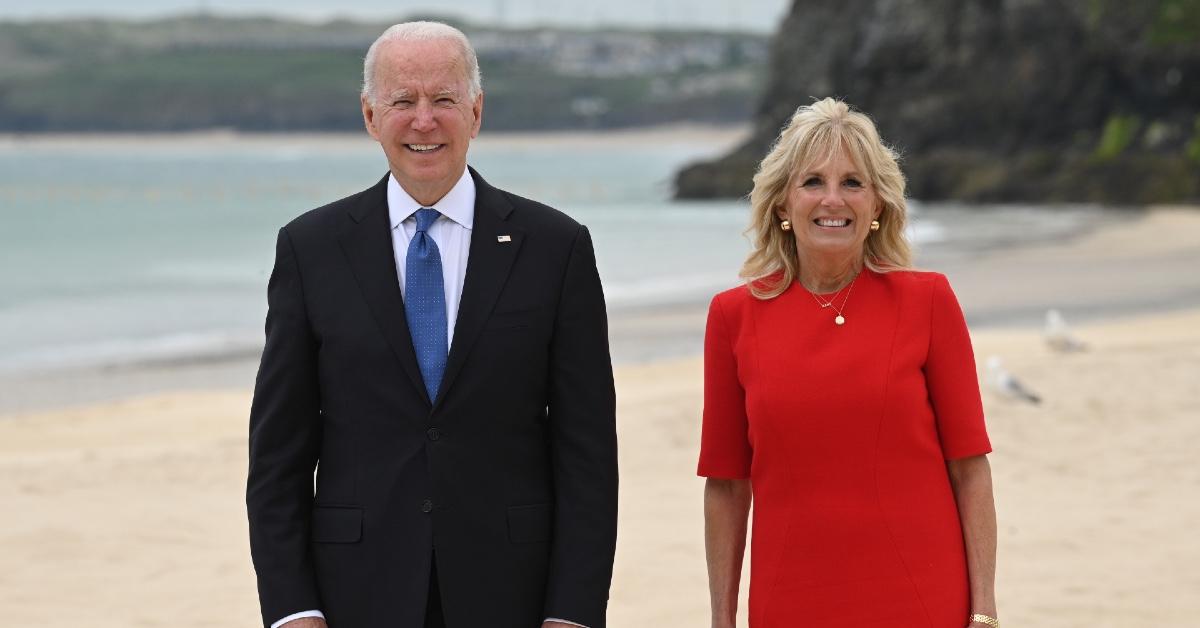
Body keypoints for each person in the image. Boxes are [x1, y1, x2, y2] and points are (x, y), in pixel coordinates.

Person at [246, 22, 618, 628]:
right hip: (354, 595)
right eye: (403, 101)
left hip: (512, 594)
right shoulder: (310, 250)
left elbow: (588, 455)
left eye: (444, 99)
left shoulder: (556, 248)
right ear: (370, 115)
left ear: (476, 112)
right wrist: (293, 610)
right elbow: (277, 457)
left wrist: (573, 612)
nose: (424, 120)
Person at [698, 98, 999, 628]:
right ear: (781, 205)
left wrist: (984, 611)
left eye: (853, 183)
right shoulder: (732, 316)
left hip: (921, 597)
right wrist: (722, 619)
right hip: (788, 599)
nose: (832, 199)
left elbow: (970, 468)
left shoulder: (928, 301)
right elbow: (726, 484)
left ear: (878, 203)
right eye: (812, 181)